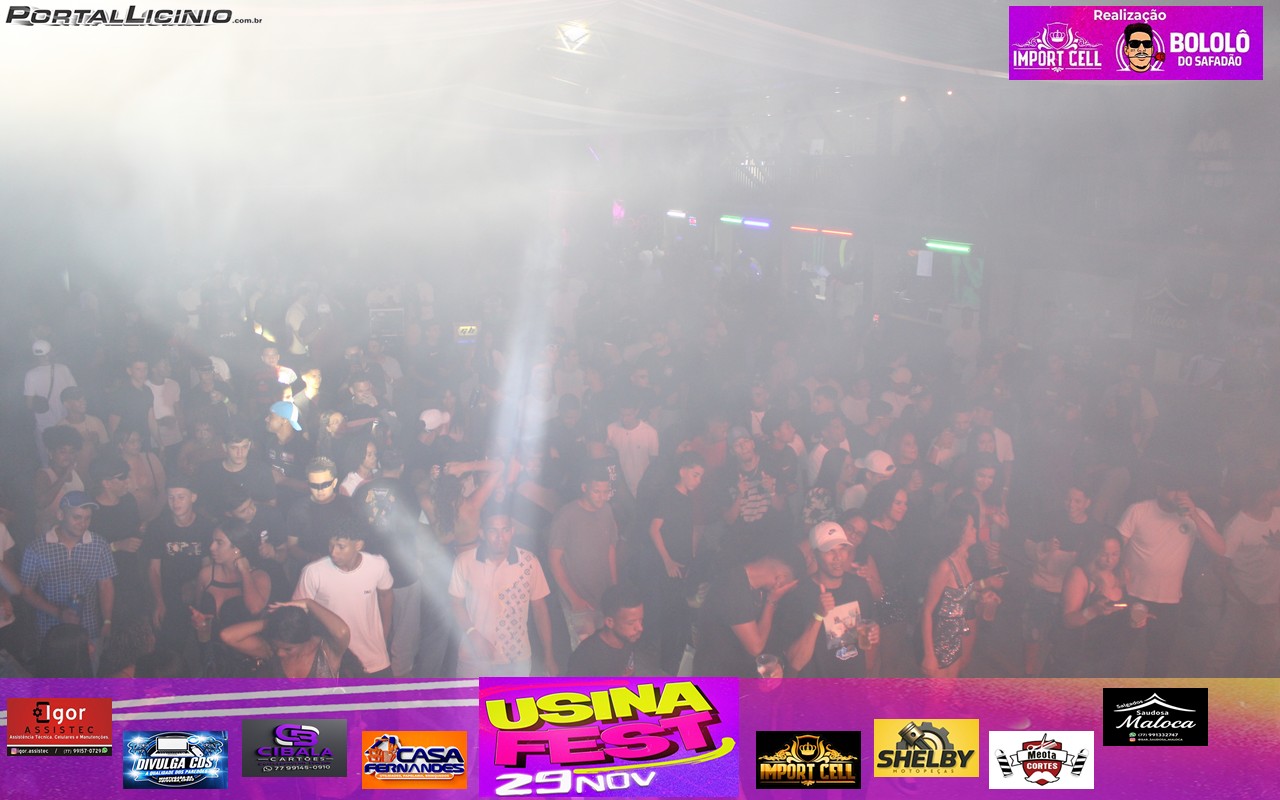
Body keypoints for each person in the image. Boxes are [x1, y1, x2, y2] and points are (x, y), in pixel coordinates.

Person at [1116, 463, 1225, 677]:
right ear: (1160, 489)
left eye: (1183, 490)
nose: (1179, 495)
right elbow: (1115, 547)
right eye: (1174, 489)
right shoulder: (1138, 510)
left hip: (1169, 600)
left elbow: (1220, 549)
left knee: (1159, 657)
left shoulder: (1195, 515)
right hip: (1132, 594)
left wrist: (1195, 516)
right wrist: (1118, 572)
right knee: (1119, 650)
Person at [449, 506, 558, 677]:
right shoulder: (465, 561)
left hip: (515, 660)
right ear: (482, 533)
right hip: (473, 656)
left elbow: (540, 610)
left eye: (505, 530)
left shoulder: (529, 562)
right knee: (471, 696)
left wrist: (549, 655)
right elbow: (455, 603)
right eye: (493, 531)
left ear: (512, 531)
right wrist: (472, 634)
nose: (500, 537)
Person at [20, 492, 117, 668]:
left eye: (87, 518)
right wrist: (58, 612)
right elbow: (26, 591)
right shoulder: (37, 547)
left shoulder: (99, 544)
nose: (83, 523)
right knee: (55, 679)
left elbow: (105, 585)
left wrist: (107, 621)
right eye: (77, 517)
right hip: (50, 630)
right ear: (60, 515)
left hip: (88, 627)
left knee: (88, 676)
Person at [774, 521, 880, 678]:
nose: (838, 557)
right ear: (815, 554)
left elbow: (868, 638)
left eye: (842, 549)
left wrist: (873, 635)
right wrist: (818, 616)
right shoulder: (798, 595)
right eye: (830, 551)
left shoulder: (859, 587)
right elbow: (795, 661)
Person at [293, 515, 395, 677]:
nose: (333, 552)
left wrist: (385, 632)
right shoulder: (313, 572)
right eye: (331, 545)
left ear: (358, 545)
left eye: (341, 546)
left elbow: (386, 596)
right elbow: (297, 614)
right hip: (335, 661)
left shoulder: (377, 565)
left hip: (374, 658)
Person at [1205, 469, 1280, 677]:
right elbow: (1219, 567)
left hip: (1272, 602)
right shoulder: (1238, 525)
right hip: (1241, 603)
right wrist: (1242, 599)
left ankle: (1252, 695)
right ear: (1267, 494)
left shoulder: (1279, 515)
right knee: (1222, 655)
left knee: (1265, 657)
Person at [1022, 483, 1096, 676]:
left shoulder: (1093, 530)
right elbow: (1027, 547)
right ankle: (1027, 676)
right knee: (1033, 634)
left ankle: (1047, 678)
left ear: (1087, 503)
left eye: (1077, 501)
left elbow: (1095, 563)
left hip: (1070, 595)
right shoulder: (1050, 518)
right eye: (1068, 499)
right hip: (1041, 587)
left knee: (1059, 640)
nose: (1071, 505)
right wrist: (1044, 547)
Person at [643, 452, 703, 674]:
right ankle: (666, 666)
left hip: (683, 564)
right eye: (695, 475)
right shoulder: (668, 495)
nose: (698, 480)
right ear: (682, 472)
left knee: (681, 615)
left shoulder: (687, 497)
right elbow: (653, 529)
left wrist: (692, 557)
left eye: (701, 476)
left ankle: (678, 663)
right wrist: (667, 561)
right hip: (669, 566)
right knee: (670, 616)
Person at [190, 520, 272, 676]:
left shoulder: (259, 577)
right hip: (212, 657)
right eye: (212, 541)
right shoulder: (206, 574)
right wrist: (197, 621)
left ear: (237, 548)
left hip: (247, 661)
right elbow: (198, 608)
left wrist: (244, 571)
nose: (211, 547)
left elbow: (254, 608)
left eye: (219, 543)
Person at [692, 555, 796, 677]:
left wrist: (776, 664)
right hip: (715, 679)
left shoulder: (755, 589)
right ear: (780, 579)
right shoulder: (733, 585)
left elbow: (766, 638)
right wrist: (772, 602)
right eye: (785, 588)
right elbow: (755, 647)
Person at [548, 471, 619, 645]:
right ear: (584, 488)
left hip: (603, 597)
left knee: (604, 648)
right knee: (584, 651)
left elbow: (610, 549)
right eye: (596, 491)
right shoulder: (566, 515)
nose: (602, 497)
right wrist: (574, 599)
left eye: (606, 492)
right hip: (578, 599)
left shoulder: (607, 510)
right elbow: (554, 561)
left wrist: (614, 587)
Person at [144, 478, 215, 649]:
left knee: (204, 643)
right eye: (171, 497)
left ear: (193, 497)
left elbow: (208, 565)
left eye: (181, 497)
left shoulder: (206, 527)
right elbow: (154, 569)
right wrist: (159, 601)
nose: (175, 503)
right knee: (170, 644)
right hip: (169, 593)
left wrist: (195, 585)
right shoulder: (157, 527)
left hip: (199, 590)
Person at [920, 505, 986, 678]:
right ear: (960, 533)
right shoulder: (945, 567)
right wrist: (929, 655)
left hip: (955, 642)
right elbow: (927, 611)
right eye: (971, 527)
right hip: (938, 644)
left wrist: (981, 596)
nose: (975, 530)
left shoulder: (964, 558)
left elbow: (961, 597)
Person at [221, 598, 362, 678]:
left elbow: (342, 632)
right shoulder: (270, 650)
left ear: (305, 639)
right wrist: (272, 621)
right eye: (276, 647)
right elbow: (228, 636)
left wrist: (308, 603)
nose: (280, 653)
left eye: (288, 649)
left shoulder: (326, 652)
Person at [1058, 530, 1133, 677]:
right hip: (1081, 657)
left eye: (1115, 554)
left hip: (1111, 655)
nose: (1109, 560)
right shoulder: (1080, 574)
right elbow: (1068, 620)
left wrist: (1135, 618)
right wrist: (1093, 611)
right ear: (1093, 552)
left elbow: (1121, 615)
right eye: (1104, 554)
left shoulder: (1122, 573)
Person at [567, 584, 655, 676]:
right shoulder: (585, 658)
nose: (640, 628)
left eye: (641, 620)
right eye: (631, 623)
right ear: (610, 622)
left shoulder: (628, 638)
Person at [194, 422, 277, 515]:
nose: (240, 453)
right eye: (234, 448)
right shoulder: (209, 470)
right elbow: (201, 505)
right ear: (224, 447)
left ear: (249, 445)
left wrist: (245, 506)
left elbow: (271, 503)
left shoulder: (261, 470)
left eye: (244, 447)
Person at [24, 339, 77, 464]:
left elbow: (29, 404)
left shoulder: (31, 375)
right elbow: (74, 394)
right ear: (51, 352)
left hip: (44, 427)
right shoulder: (63, 369)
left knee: (47, 462)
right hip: (65, 423)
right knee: (69, 460)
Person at [35, 426, 86, 535]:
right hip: (50, 532)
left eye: (72, 452)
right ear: (50, 452)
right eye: (63, 451)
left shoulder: (76, 472)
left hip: (77, 528)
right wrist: (63, 477)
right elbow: (40, 503)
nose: (68, 456)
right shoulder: (44, 474)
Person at [113, 426, 166, 524]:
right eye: (132, 442)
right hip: (127, 521)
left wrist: (151, 519)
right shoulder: (114, 466)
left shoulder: (150, 458)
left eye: (138, 440)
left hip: (155, 517)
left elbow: (163, 491)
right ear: (120, 445)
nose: (137, 444)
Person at [56, 386, 108, 476]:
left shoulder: (96, 421)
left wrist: (96, 443)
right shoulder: (60, 428)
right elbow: (59, 459)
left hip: (97, 472)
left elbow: (107, 450)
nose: (83, 402)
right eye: (78, 400)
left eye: (83, 399)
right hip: (73, 474)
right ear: (66, 404)